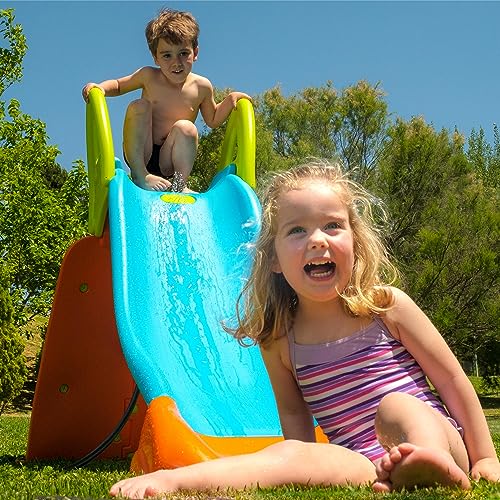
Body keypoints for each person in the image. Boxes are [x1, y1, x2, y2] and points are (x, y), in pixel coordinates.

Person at [110, 161, 500, 498]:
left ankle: (428, 465)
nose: (317, 240)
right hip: (363, 464)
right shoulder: (281, 341)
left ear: (356, 243)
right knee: (289, 452)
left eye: (332, 225)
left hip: (438, 439)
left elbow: (451, 380)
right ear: (274, 259)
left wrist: (484, 457)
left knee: (395, 406)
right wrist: (300, 463)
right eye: (297, 231)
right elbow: (296, 427)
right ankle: (176, 481)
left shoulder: (385, 305)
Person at [82, 8, 250, 192]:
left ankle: (179, 184)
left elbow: (213, 119)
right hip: (141, 151)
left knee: (187, 128)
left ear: (195, 52)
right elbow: (119, 85)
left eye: (183, 53)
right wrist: (100, 88)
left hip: (169, 158)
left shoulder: (201, 86)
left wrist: (230, 100)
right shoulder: (148, 76)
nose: (176, 62)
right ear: (156, 58)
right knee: (139, 106)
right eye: (167, 55)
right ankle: (140, 174)